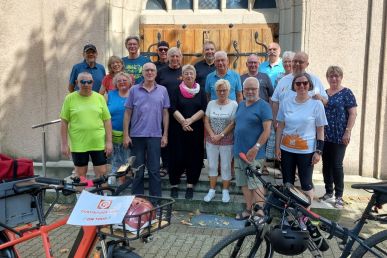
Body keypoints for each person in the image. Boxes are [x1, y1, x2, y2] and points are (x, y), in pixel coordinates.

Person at [275, 73, 328, 201]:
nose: (302, 86)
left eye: (305, 83)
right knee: (287, 183)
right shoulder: (286, 103)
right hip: (287, 150)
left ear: (309, 85)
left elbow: (320, 130)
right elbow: (280, 127)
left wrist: (319, 151)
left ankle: (305, 215)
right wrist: (277, 148)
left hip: (306, 152)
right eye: (298, 83)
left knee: (306, 184)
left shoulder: (317, 104)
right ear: (293, 86)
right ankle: (289, 214)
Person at [123, 63, 169, 197]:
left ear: (156, 73)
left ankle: (155, 201)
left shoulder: (163, 90)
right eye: (147, 70)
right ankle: (138, 200)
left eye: (152, 70)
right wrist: (126, 135)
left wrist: (165, 134)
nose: (149, 72)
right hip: (137, 136)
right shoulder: (134, 90)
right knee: (138, 170)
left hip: (155, 135)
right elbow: (127, 113)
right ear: (142, 73)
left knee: (154, 170)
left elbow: (165, 113)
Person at [60, 72, 112, 178]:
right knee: (81, 175)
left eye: (89, 82)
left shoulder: (99, 98)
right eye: (83, 81)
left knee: (102, 174)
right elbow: (64, 122)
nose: (86, 84)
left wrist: (109, 142)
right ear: (77, 83)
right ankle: (83, 193)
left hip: (98, 142)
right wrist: (64, 144)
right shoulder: (69, 98)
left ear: (93, 83)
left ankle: (100, 194)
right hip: (78, 144)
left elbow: (107, 121)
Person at [234, 77, 272, 220]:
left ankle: (260, 212)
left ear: (258, 90)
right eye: (247, 89)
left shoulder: (264, 106)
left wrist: (256, 147)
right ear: (243, 90)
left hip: (254, 154)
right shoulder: (241, 105)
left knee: (256, 183)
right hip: (239, 152)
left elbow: (267, 131)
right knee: (244, 183)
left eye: (253, 89)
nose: (250, 91)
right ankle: (248, 210)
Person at [320, 66, 357, 209]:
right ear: (327, 78)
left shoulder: (346, 93)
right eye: (331, 76)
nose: (334, 78)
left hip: (340, 135)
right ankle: (328, 191)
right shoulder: (324, 94)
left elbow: (353, 113)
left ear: (341, 77)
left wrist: (348, 131)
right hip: (325, 135)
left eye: (336, 76)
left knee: (336, 164)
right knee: (326, 164)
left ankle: (339, 196)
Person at [168, 65, 207, 200]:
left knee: (194, 157)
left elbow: (203, 108)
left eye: (191, 73)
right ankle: (174, 185)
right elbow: (172, 107)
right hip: (177, 129)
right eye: (186, 73)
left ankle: (190, 185)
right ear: (182, 76)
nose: (189, 76)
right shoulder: (175, 90)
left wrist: (190, 120)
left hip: (195, 130)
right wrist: (183, 122)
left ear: (195, 76)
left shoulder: (201, 91)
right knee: (176, 157)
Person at [271, 51, 328, 130]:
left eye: (300, 62)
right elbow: (275, 101)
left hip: (307, 130)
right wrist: (275, 120)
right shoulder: (283, 81)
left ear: (307, 64)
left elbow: (326, 102)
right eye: (295, 61)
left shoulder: (315, 80)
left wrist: (320, 98)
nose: (297, 64)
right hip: (285, 128)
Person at [203, 79, 237, 203]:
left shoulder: (234, 104)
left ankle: (225, 191)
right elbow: (206, 120)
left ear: (229, 91)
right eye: (219, 90)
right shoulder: (211, 103)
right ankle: (211, 190)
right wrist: (212, 134)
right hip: (211, 140)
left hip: (227, 141)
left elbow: (233, 123)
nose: (222, 92)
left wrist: (221, 135)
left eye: (224, 90)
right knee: (212, 165)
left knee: (226, 166)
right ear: (216, 91)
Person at [156, 47, 183, 176]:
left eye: (177, 56)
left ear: (181, 57)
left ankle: (180, 166)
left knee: (179, 139)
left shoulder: (185, 71)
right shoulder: (161, 72)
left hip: (182, 111)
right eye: (172, 56)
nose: (174, 58)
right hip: (164, 111)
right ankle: (166, 165)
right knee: (165, 138)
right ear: (168, 57)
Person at [106, 72, 132, 185]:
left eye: (124, 80)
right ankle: (113, 182)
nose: (122, 82)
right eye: (119, 81)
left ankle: (123, 182)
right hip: (112, 133)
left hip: (130, 134)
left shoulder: (134, 94)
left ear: (130, 82)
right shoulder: (110, 95)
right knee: (115, 159)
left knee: (127, 160)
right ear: (115, 83)